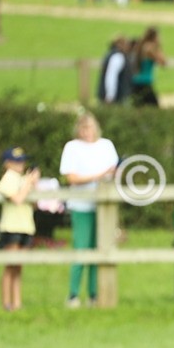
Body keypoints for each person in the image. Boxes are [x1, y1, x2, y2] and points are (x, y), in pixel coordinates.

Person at [59, 112, 117, 307]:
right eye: (83, 128)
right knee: (81, 249)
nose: (86, 132)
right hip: (81, 205)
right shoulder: (72, 147)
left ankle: (94, 294)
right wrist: (97, 176)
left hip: (103, 206)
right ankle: (73, 294)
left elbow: (114, 171)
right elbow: (71, 177)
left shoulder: (106, 145)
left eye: (89, 128)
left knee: (99, 250)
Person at [0, 147, 39, 311]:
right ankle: (6, 303)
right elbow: (18, 199)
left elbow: (34, 204)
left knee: (19, 267)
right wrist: (27, 184)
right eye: (16, 161)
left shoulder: (22, 179)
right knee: (10, 266)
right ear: (7, 163)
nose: (20, 164)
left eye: (22, 161)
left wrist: (33, 184)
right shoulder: (7, 179)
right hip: (11, 227)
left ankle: (17, 303)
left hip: (26, 226)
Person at [131, 27, 167, 107]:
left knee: (138, 107)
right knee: (154, 108)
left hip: (137, 81)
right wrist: (159, 46)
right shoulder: (150, 48)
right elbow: (163, 62)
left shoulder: (142, 46)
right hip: (145, 82)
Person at [98, 36, 129, 104]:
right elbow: (111, 76)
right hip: (115, 97)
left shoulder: (111, 54)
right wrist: (110, 95)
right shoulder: (118, 56)